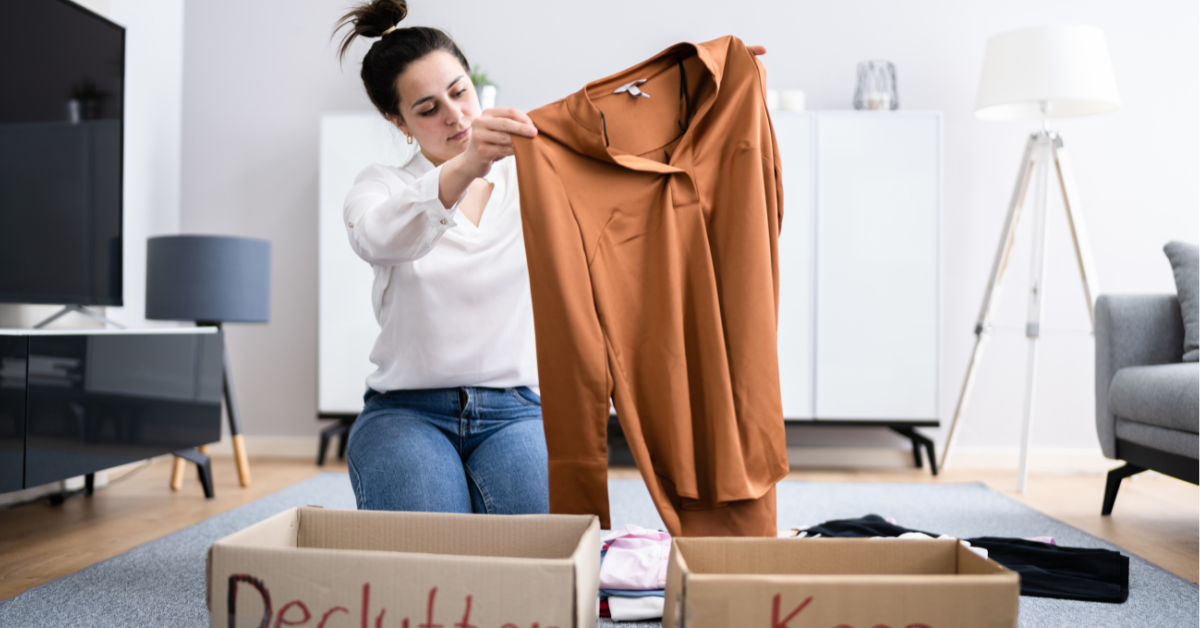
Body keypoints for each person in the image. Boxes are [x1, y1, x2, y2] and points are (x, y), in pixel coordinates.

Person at [334, 0, 766, 516]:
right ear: (397, 121)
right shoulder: (381, 187)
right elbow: (378, 237)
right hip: (406, 412)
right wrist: (468, 166)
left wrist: (711, 83)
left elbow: (626, 146)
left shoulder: (530, 177)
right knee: (425, 552)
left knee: (549, 555)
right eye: (428, 110)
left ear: (473, 84)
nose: (456, 117)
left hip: (515, 411)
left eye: (459, 92)